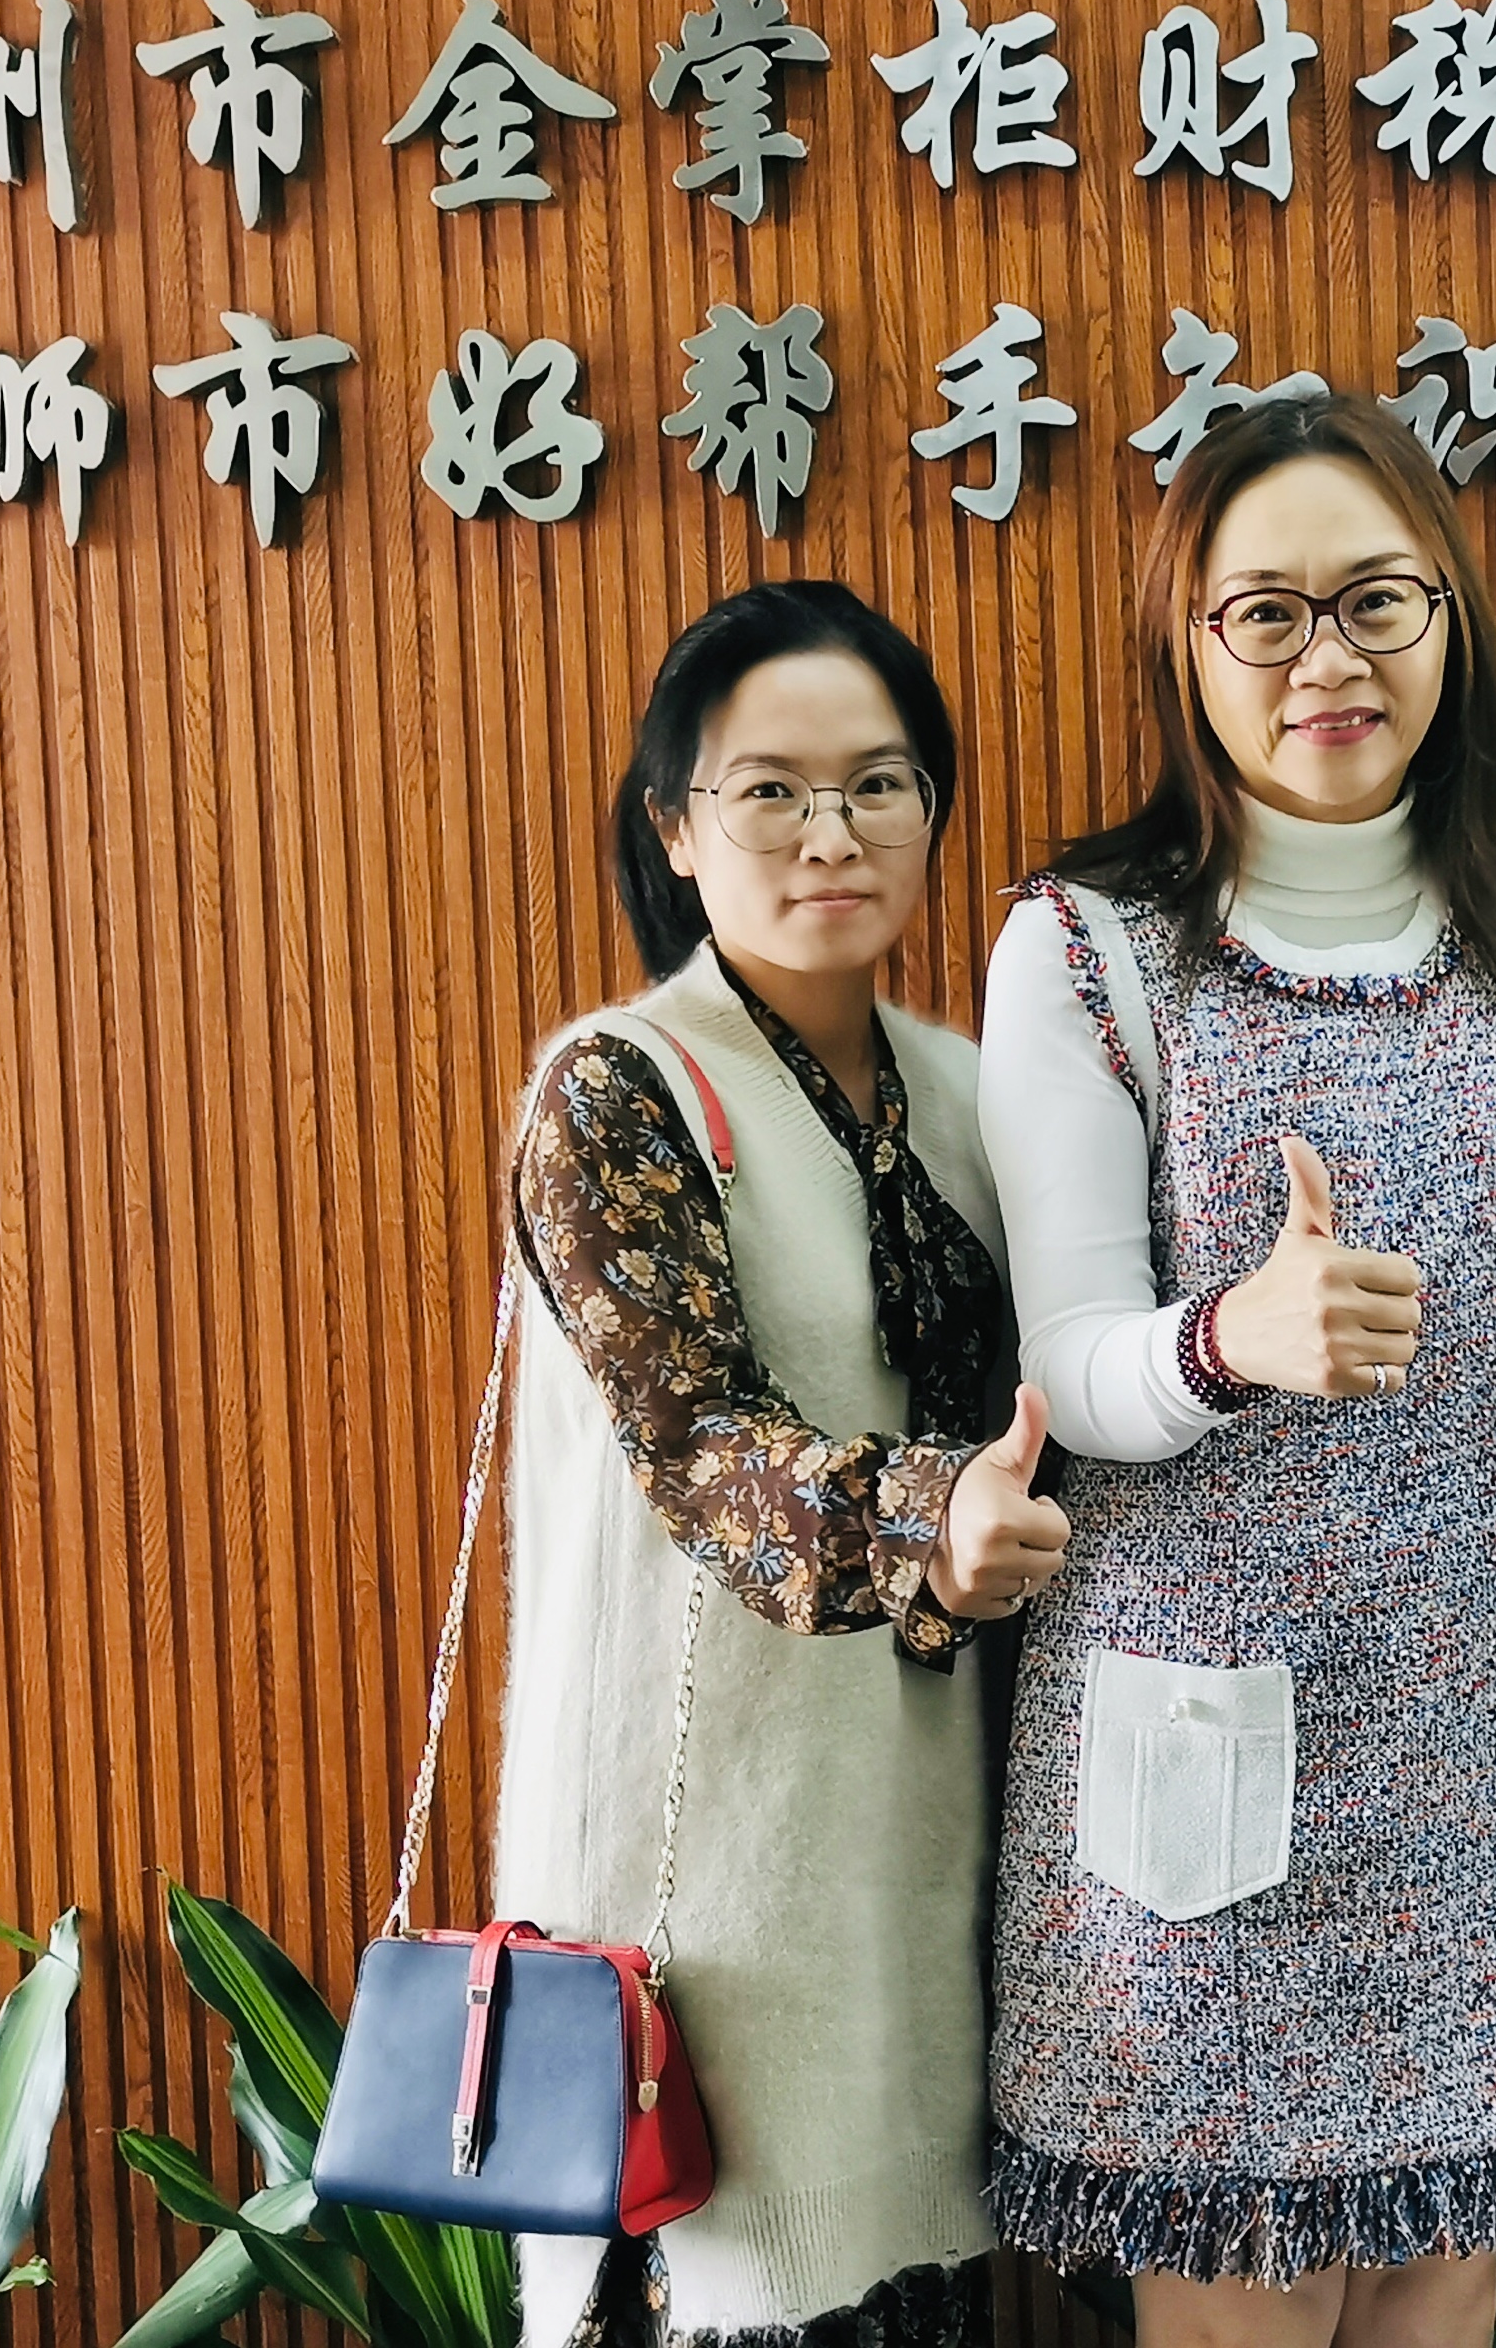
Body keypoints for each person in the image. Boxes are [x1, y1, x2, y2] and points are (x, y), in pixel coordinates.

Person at [977, 391, 1496, 2343]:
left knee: (1443, 2291)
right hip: (1203, 1736)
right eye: (1265, 613)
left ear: (1448, 617)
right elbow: (1068, 1362)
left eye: (1377, 599)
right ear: (1186, 643)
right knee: (1244, 2306)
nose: (1329, 660)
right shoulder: (1087, 946)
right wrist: (1238, 1336)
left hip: (1495, 1733)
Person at [492, 580, 1073, 2348]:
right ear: (675, 825)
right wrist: (932, 1517)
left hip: (926, 1864)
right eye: (769, 790)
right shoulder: (617, 1089)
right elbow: (700, 1444)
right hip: (696, 1903)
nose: (833, 832)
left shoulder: (979, 1098)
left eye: (879, 783)